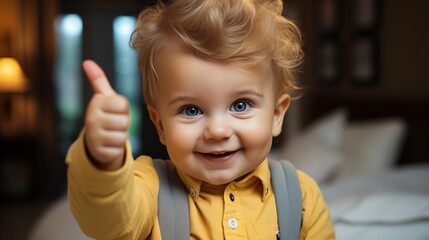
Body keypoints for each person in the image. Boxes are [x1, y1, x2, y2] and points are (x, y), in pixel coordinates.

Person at [66, 0, 336, 239]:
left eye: (240, 105)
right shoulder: (150, 187)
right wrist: (102, 159)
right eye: (191, 110)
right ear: (160, 125)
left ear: (277, 116)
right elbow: (109, 222)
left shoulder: (300, 197)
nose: (217, 131)